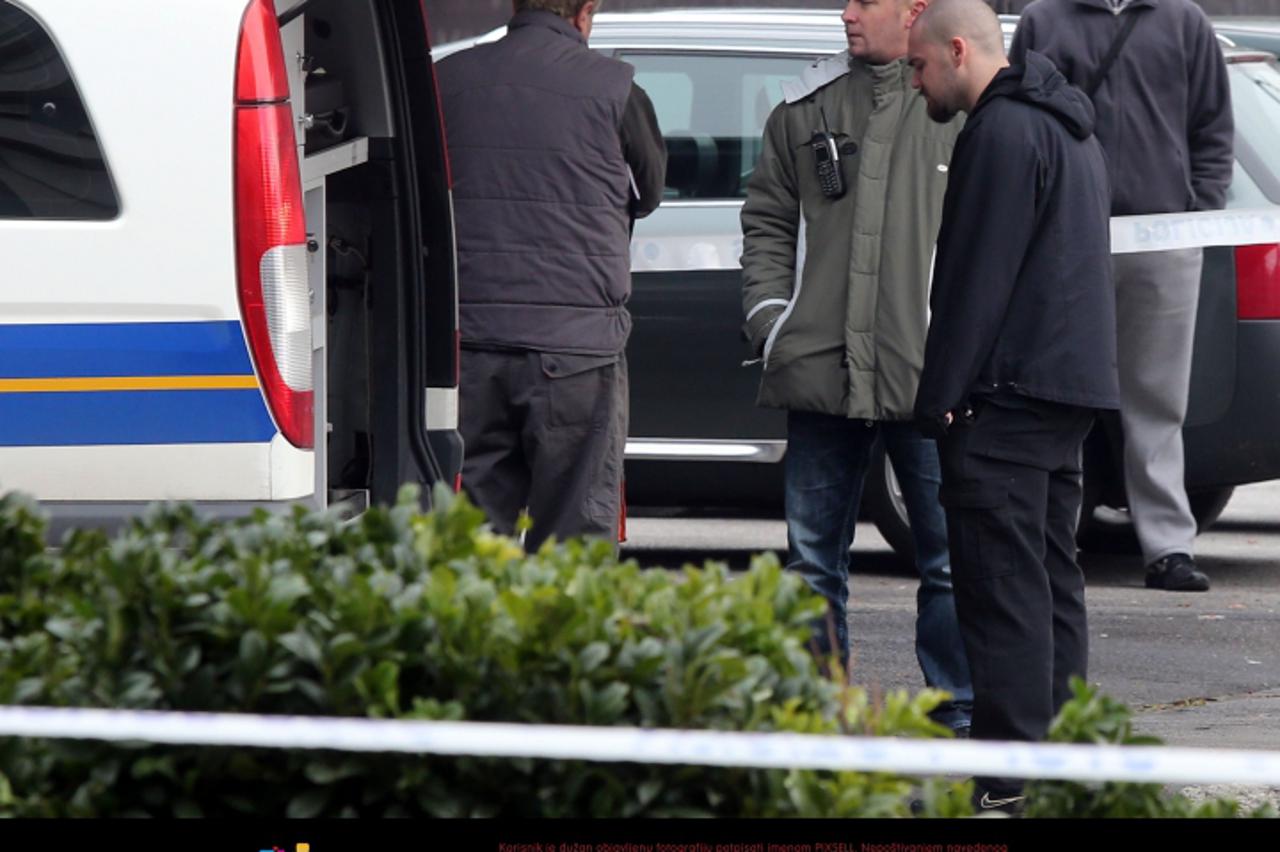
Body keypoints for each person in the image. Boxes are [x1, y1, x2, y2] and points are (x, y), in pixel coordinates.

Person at [908, 0, 1120, 812]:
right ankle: (1062, 765)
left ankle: (1009, 781)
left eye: (920, 65)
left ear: (958, 50)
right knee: (1048, 582)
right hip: (1065, 389)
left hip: (1007, 394)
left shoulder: (1000, 132)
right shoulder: (1068, 125)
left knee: (1001, 593)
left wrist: (937, 400)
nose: (916, 81)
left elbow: (973, 280)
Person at [740, 0, 972, 734]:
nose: (846, 13)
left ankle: (956, 722)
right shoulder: (804, 106)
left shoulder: (959, 106)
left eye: (866, 0)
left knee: (949, 561)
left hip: (927, 376)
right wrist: (771, 320)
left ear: (915, 11)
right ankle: (817, 721)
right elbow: (767, 218)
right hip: (820, 371)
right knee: (811, 561)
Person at [1009, 0, 1233, 593]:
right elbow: (1020, 122)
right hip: (1067, 238)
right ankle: (1053, 540)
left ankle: (1168, 547)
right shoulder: (1043, 19)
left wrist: (1196, 212)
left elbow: (1212, 126)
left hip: (1163, 239)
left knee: (1159, 401)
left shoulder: (1185, 21)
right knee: (1059, 395)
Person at [436, 0, 665, 551]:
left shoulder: (446, 80)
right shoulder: (616, 88)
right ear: (584, 12)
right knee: (574, 541)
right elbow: (648, 192)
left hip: (470, 345)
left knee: (467, 541)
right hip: (576, 351)